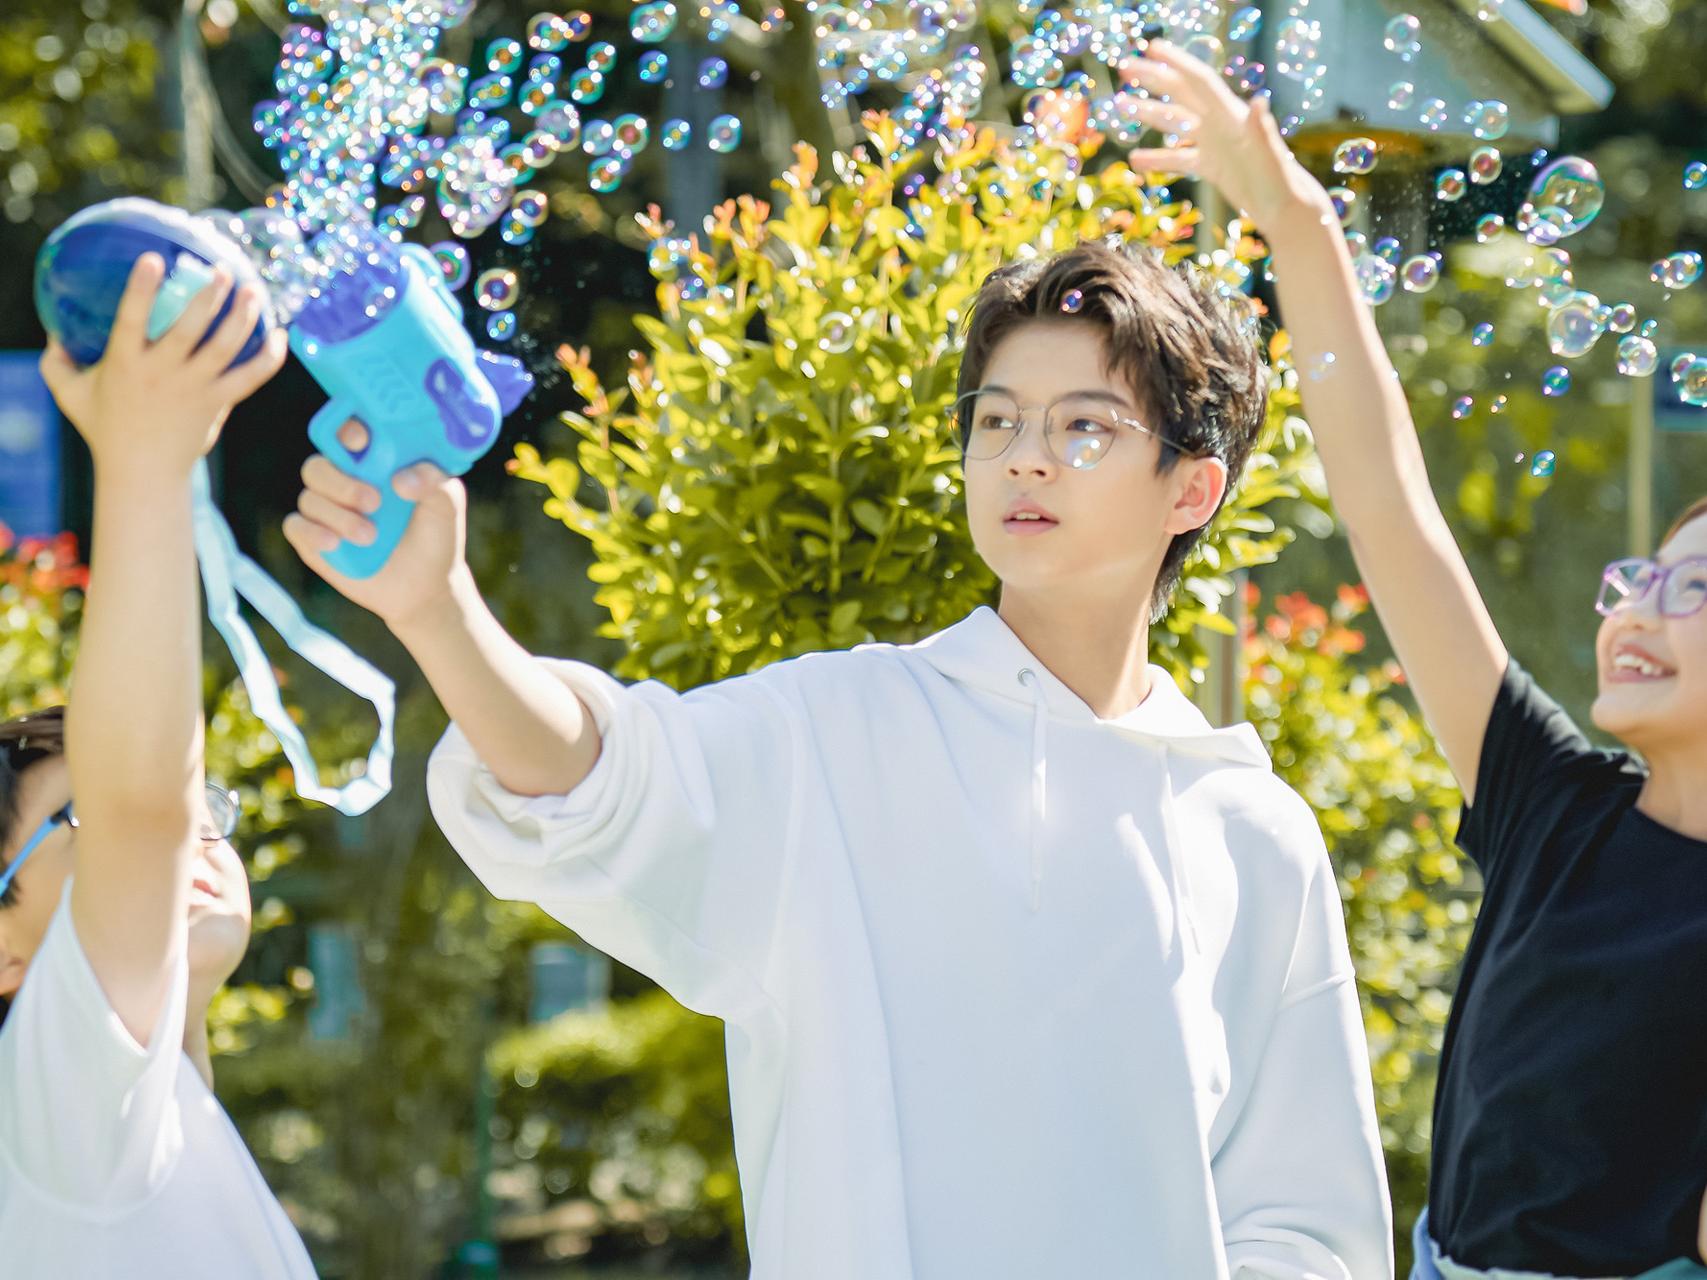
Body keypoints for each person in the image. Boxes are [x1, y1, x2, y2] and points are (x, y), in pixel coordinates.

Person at [286, 237, 1393, 1278]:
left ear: (1192, 489)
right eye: (996, 421)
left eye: (1084, 429)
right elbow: (599, 777)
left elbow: (1306, 1221)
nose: (1025, 460)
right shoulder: (841, 725)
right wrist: (439, 611)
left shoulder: (1252, 826)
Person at [1118, 38, 1707, 1280]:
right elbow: (1388, 503)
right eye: (1640, 577)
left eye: (1694, 589)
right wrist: (1293, 215)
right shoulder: (1556, 806)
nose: (1639, 605)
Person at [0, 255, 315, 1276]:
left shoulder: (153, 1135)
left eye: (204, 805)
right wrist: (144, 458)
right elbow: (145, 801)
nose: (194, 824)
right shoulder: (61, 1114)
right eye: (82, 815)